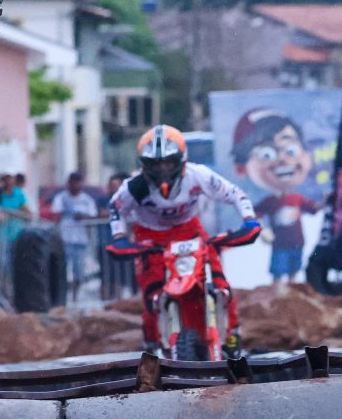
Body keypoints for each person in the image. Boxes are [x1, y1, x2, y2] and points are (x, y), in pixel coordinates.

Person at [107, 125, 261, 356]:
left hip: (190, 231)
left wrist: (249, 221)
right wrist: (119, 237)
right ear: (144, 164)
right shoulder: (134, 187)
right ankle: (152, 347)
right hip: (150, 237)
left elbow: (235, 193)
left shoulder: (198, 175)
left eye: (168, 162)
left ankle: (231, 337)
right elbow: (115, 207)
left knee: (220, 286)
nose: (162, 169)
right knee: (152, 297)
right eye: (155, 164)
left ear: (180, 159)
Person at [231, 108, 322, 283]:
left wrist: (329, 200)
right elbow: (253, 213)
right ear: (242, 167)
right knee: (278, 276)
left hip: (298, 243)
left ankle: (292, 300)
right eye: (267, 154)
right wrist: (262, 230)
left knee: (294, 274)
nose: (282, 159)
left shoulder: (297, 199)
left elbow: (313, 208)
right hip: (279, 245)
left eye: (290, 150)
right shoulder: (270, 201)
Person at [51, 172, 98, 303]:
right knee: (62, 271)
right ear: (69, 183)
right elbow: (55, 215)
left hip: (80, 241)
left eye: (79, 182)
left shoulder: (87, 200)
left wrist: (84, 217)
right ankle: (62, 298)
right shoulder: (61, 198)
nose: (76, 185)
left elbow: (93, 216)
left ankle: (75, 298)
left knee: (79, 272)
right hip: (64, 240)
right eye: (74, 182)